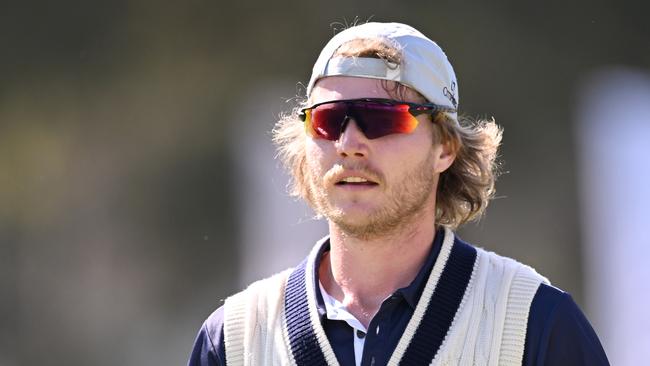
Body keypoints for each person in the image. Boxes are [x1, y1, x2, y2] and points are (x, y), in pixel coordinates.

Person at [188, 22, 609, 366]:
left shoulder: (533, 323)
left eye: (381, 118)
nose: (349, 143)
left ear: (444, 147)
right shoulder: (235, 339)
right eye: (328, 120)